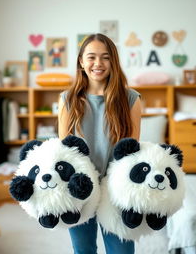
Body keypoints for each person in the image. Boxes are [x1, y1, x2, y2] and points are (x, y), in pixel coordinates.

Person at [58, 33, 142, 254]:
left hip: (116, 190)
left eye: (105, 57)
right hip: (79, 190)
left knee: (122, 251)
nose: (98, 63)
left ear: (113, 61)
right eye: (91, 57)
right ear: (81, 61)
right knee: (83, 250)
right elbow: (62, 152)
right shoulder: (68, 99)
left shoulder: (131, 99)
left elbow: (132, 151)